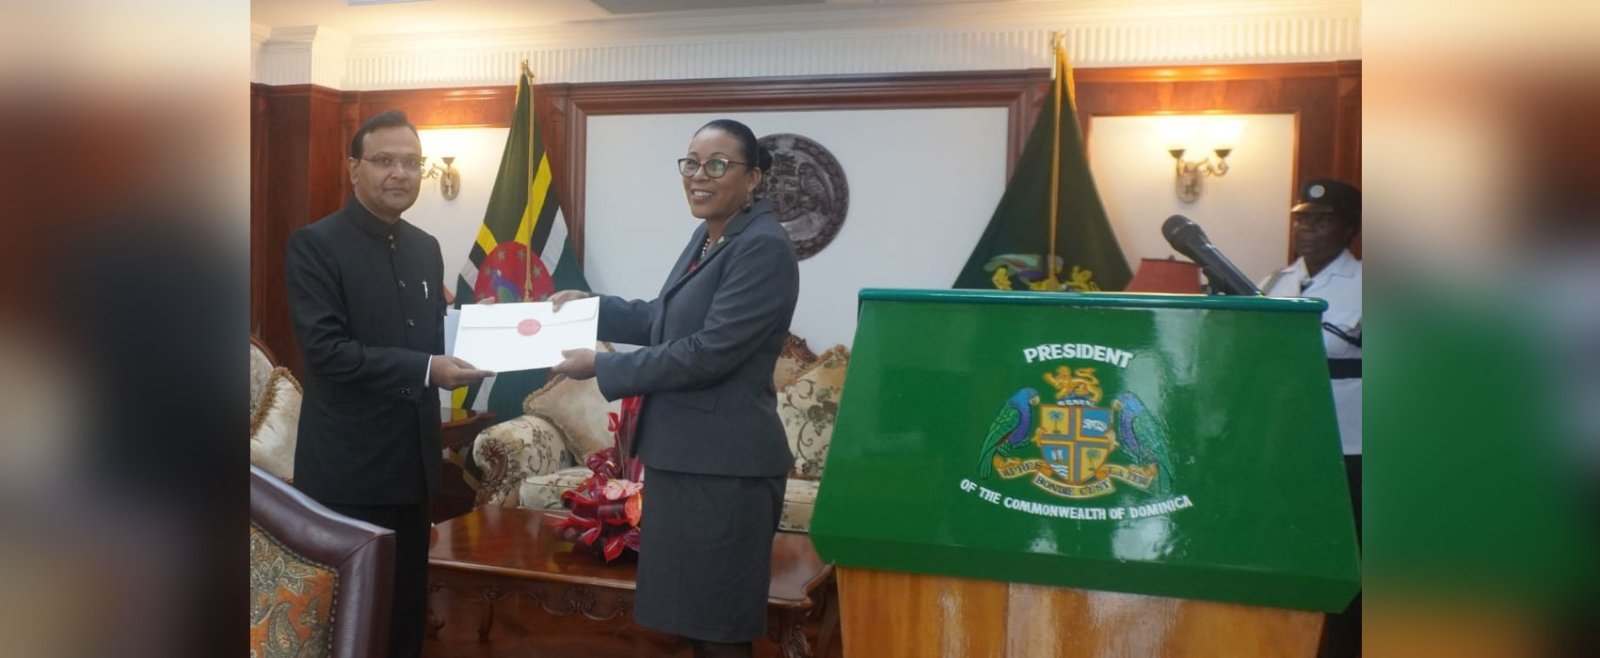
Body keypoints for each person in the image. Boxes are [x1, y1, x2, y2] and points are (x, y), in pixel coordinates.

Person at [546, 118, 799, 658]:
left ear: (753, 177)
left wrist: (603, 369)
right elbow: (665, 318)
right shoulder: (715, 235)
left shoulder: (762, 248)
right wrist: (590, 310)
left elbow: (711, 352)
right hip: (687, 461)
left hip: (726, 471)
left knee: (720, 629)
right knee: (691, 619)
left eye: (717, 164)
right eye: (690, 162)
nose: (698, 175)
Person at [285, 109, 492, 658]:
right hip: (348, 470)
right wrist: (428, 368)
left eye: (411, 163)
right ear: (354, 168)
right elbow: (329, 354)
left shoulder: (425, 246)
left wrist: (475, 328)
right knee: (347, 621)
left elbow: (427, 338)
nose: (400, 173)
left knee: (405, 616)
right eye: (385, 161)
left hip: (414, 465)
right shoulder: (315, 245)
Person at [1259, 177, 1361, 658]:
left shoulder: (1366, 284)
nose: (1308, 229)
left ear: (1348, 230)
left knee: (1348, 556)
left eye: (1322, 221)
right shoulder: (1275, 282)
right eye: (1302, 219)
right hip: (1287, 437)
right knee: (1290, 548)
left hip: (1349, 443)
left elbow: (1335, 347)